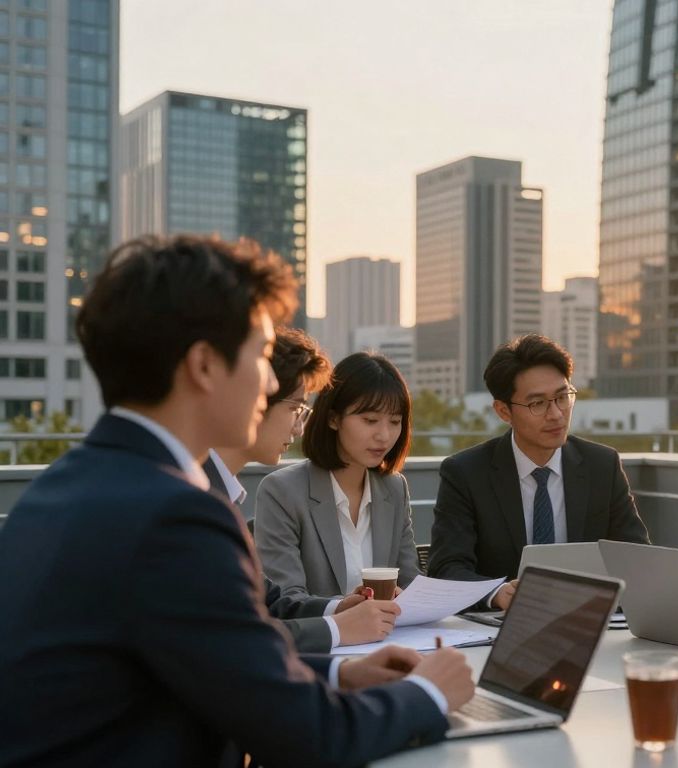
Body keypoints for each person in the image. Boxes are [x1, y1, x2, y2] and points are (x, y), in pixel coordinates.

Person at [0, 235, 474, 766]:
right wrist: (429, 693)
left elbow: (207, 662)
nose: (270, 381)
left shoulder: (58, 489)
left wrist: (342, 671)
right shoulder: (175, 516)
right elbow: (306, 735)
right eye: (263, 354)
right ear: (204, 365)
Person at [204, 326, 399, 652]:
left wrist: (340, 608)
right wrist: (338, 629)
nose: (299, 426)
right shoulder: (194, 495)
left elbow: (270, 600)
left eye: (395, 421)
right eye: (295, 407)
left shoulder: (217, 490)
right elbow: (228, 635)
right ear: (254, 398)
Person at [428, 334, 650, 610]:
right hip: (500, 624)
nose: (556, 414)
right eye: (538, 403)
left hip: (586, 618)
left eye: (562, 397)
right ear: (503, 411)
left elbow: (637, 558)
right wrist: (497, 593)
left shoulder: (602, 465)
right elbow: (446, 568)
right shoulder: (466, 473)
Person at [255, 351, 421, 599]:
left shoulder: (394, 488)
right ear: (333, 419)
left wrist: (407, 597)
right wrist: (351, 608)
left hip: (389, 625)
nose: (384, 436)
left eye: (395, 422)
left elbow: (410, 582)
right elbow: (286, 598)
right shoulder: (282, 491)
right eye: (370, 420)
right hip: (322, 626)